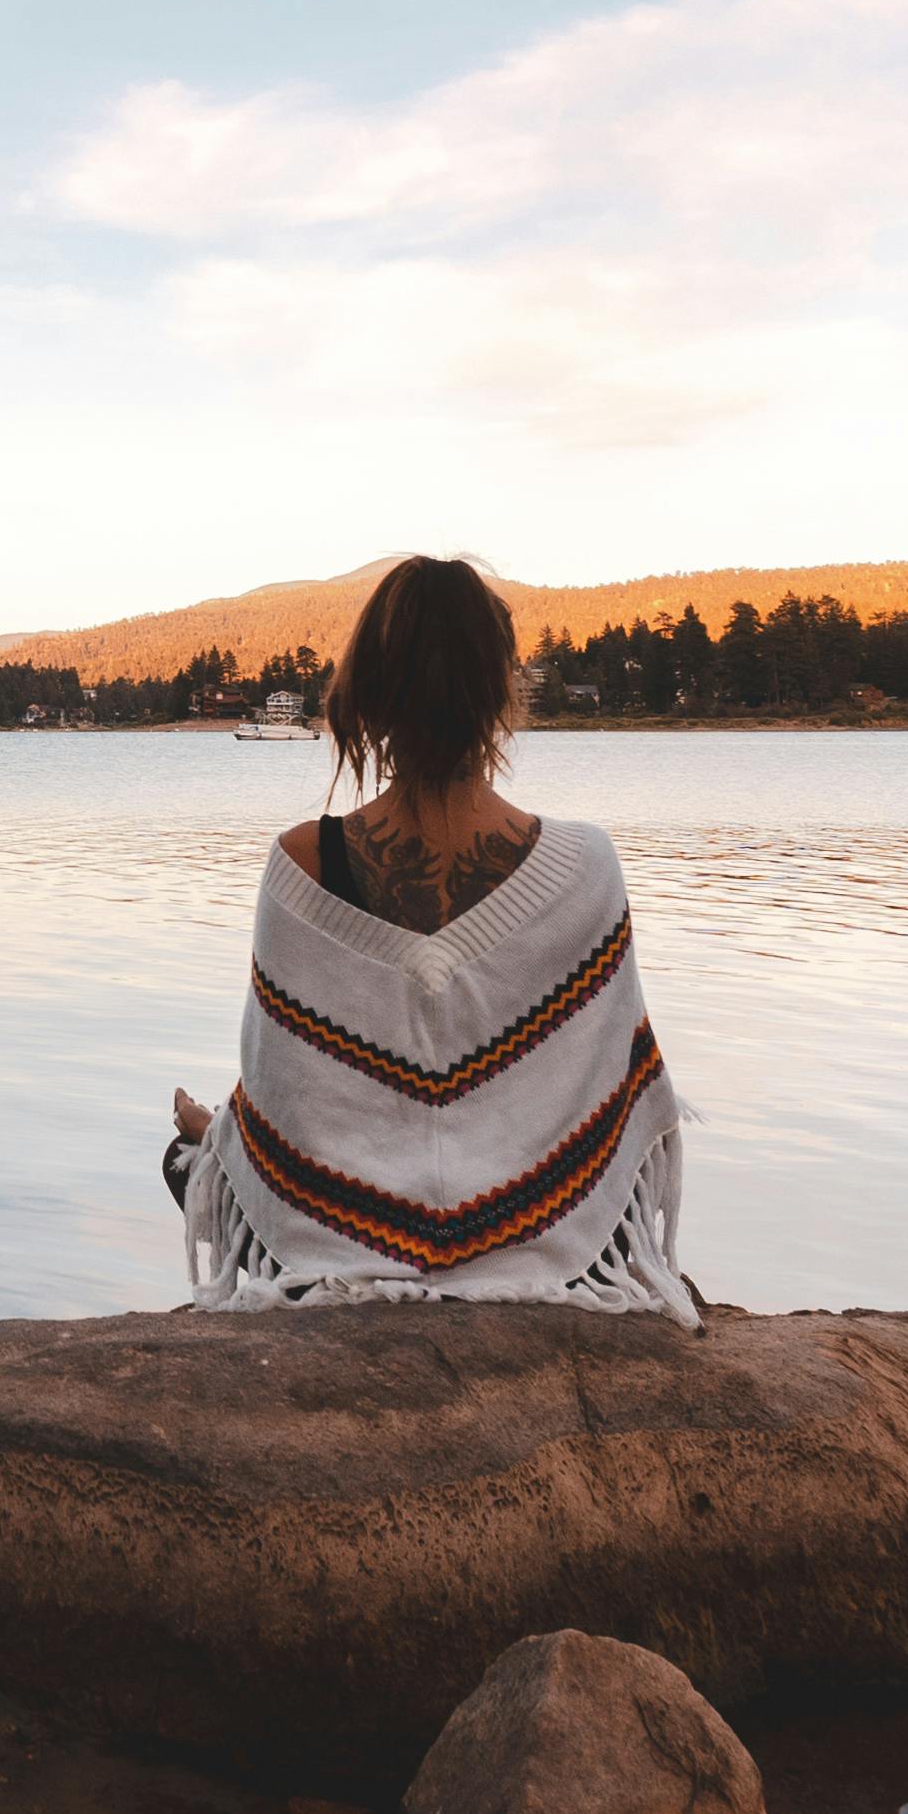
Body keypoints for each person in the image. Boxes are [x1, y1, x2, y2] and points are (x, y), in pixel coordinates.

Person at [166, 555, 698, 1326]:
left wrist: (218, 1137)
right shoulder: (587, 867)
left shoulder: (301, 865)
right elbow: (606, 1096)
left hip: (337, 1253)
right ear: (500, 690)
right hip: (549, 1247)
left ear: (368, 694)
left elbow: (294, 1105)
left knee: (189, 1166)